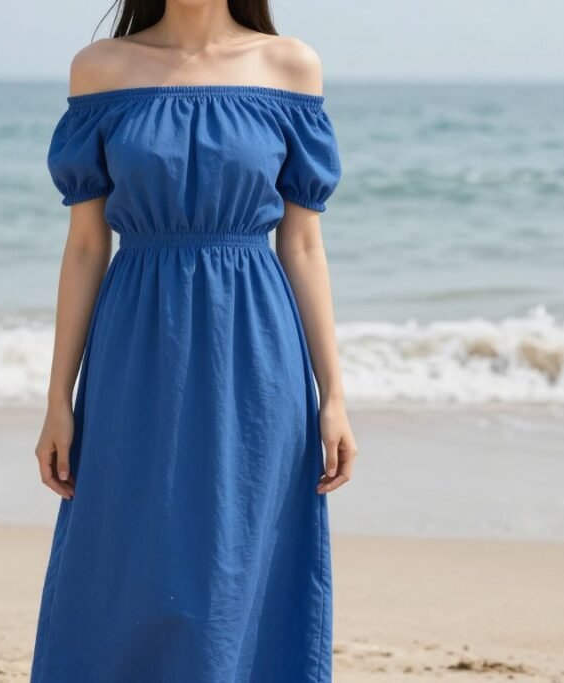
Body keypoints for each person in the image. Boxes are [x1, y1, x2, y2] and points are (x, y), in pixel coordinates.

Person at [31, 1, 358, 680]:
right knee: (128, 549)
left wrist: (334, 395)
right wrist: (58, 397)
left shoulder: (290, 66)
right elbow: (87, 246)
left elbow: (302, 245)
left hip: (256, 346)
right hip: (134, 345)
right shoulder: (101, 70)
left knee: (236, 552)